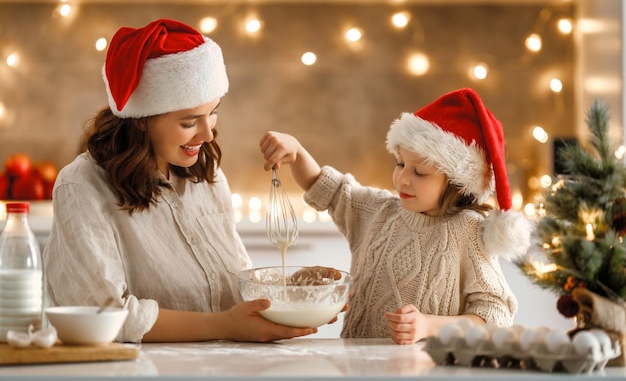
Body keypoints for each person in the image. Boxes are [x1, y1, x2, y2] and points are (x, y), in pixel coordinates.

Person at [43, 18, 319, 343]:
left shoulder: (208, 175)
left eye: (213, 111)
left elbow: (234, 288)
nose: (208, 133)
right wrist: (225, 325)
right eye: (189, 122)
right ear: (142, 120)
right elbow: (101, 315)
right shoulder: (82, 186)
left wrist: (306, 290)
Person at [259, 88, 532, 345]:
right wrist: (296, 152)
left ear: (456, 183)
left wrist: (428, 326)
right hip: (358, 368)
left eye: (420, 172)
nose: (402, 178)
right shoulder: (377, 210)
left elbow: (496, 315)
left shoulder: (468, 231)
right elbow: (325, 187)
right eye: (400, 163)